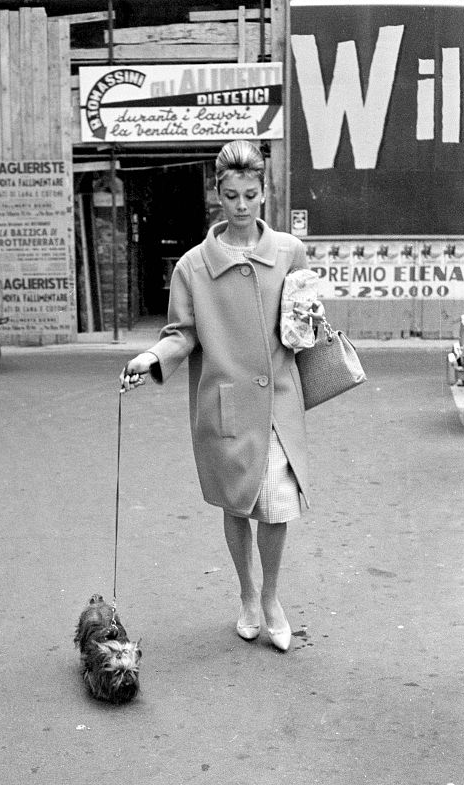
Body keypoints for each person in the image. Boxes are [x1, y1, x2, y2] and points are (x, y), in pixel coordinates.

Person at [120, 140, 323, 652]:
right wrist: (151, 358)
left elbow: (305, 323)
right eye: (230, 195)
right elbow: (181, 333)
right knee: (237, 506)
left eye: (250, 195)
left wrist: (309, 320)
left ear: (263, 193)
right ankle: (247, 595)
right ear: (217, 194)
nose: (240, 205)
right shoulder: (192, 267)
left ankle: (272, 598)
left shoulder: (289, 251)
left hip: (278, 397)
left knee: (277, 506)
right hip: (226, 401)